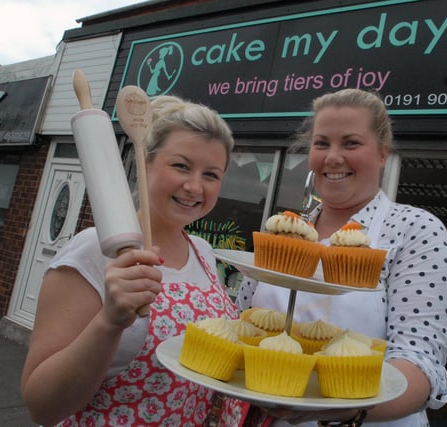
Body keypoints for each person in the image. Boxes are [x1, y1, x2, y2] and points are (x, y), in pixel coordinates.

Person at [21, 95, 268, 426]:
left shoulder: (202, 252)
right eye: (181, 165)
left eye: (211, 174)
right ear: (145, 163)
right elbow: (41, 405)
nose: (195, 186)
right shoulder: (96, 249)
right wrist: (109, 321)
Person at [238, 88, 447, 427]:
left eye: (351, 143)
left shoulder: (414, 231)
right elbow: (241, 323)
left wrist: (342, 408)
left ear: (383, 153)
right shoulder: (282, 235)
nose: (333, 157)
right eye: (322, 143)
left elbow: (420, 361)